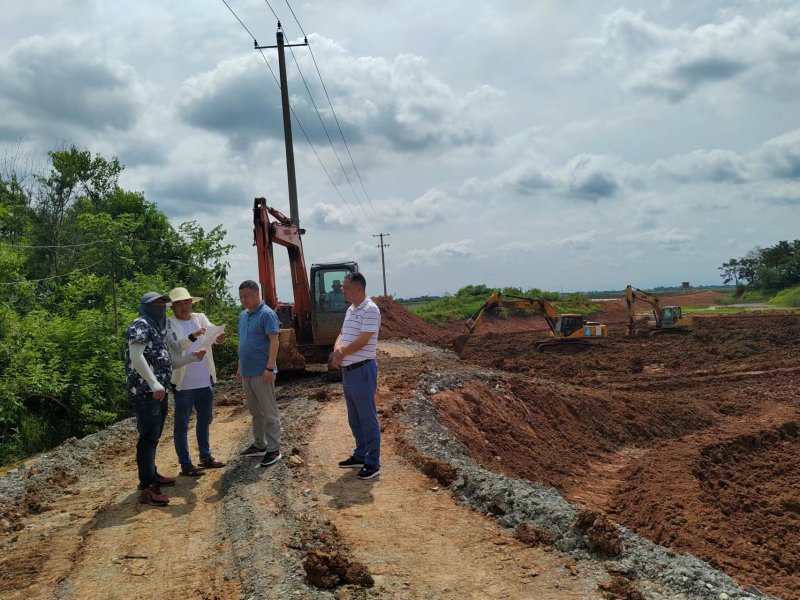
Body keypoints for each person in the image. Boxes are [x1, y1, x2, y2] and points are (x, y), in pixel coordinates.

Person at [125, 291, 205, 506]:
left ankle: (152, 473)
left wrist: (191, 358)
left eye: (163, 303)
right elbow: (136, 356)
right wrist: (153, 383)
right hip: (147, 391)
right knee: (148, 438)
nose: (161, 306)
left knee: (154, 436)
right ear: (145, 306)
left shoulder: (156, 328)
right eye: (156, 303)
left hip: (158, 390)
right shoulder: (140, 324)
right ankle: (148, 487)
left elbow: (164, 362)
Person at [166, 286, 227, 477]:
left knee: (205, 420)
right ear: (172, 307)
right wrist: (193, 336)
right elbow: (175, 347)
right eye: (179, 303)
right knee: (182, 425)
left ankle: (205, 456)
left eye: (186, 302)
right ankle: (185, 464)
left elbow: (212, 333)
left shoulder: (200, 317)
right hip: (184, 384)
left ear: (191, 303)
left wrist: (219, 338)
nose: (184, 306)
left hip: (203, 380)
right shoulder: (169, 324)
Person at [331, 272, 382, 480]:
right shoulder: (351, 310)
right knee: (355, 417)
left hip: (362, 370)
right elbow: (342, 334)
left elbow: (364, 340)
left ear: (359, 289)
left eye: (346, 288)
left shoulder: (370, 310)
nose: (342, 291)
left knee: (367, 417)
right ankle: (360, 454)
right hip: (349, 372)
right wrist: (336, 350)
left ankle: (373, 462)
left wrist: (342, 353)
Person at [236, 280, 282, 467]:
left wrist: (270, 368)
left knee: (269, 412)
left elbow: (274, 342)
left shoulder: (267, 314)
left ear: (257, 294)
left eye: (246, 296)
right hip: (247, 372)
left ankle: (274, 449)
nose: (244, 300)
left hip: (262, 371)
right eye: (241, 297)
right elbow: (243, 343)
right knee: (255, 411)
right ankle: (259, 445)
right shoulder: (243, 316)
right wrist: (240, 366)